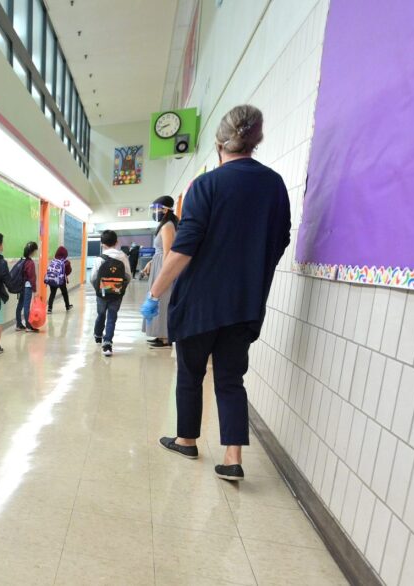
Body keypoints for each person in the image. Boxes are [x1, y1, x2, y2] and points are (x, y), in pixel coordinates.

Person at [141, 105, 291, 481]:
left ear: (218, 143)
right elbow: (281, 239)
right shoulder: (274, 185)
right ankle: (232, 457)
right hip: (245, 303)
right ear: (256, 141)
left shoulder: (206, 185)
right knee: (230, 378)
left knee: (190, 374)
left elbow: (184, 248)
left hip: (200, 303)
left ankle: (187, 440)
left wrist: (155, 293)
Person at [141, 196, 178, 348]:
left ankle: (166, 337)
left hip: (163, 267)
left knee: (163, 300)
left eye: (157, 209)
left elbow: (168, 252)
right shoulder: (166, 225)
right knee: (160, 300)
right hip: (158, 265)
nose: (155, 212)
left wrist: (165, 275)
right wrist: (151, 262)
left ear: (166, 209)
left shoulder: (167, 226)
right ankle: (161, 334)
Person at [91, 230, 132, 357]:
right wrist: (121, 288)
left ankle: (98, 335)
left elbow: (93, 278)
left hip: (102, 293)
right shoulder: (123, 256)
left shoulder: (99, 259)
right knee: (112, 316)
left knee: (101, 314)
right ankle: (107, 343)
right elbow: (128, 276)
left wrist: (98, 289)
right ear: (116, 242)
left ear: (102, 244)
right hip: (117, 293)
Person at [15, 241, 40, 332]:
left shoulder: (23, 260)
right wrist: (35, 289)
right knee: (26, 306)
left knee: (20, 305)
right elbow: (32, 278)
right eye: (35, 251)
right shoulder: (30, 263)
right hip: (28, 287)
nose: (36, 253)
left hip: (21, 286)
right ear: (32, 251)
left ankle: (18, 324)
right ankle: (28, 326)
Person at [45, 245, 73, 314]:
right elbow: (68, 271)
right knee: (64, 293)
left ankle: (49, 309)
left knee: (52, 294)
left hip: (52, 279)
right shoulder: (66, 262)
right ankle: (67, 306)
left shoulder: (53, 261)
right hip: (61, 280)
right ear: (65, 254)